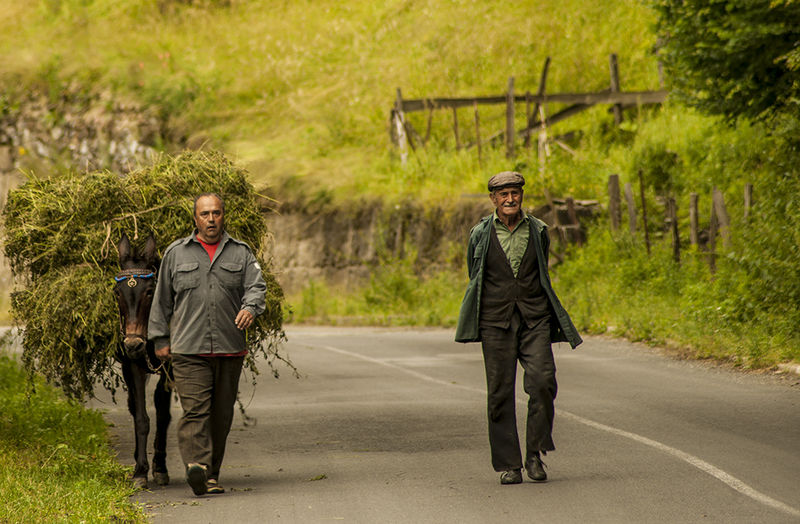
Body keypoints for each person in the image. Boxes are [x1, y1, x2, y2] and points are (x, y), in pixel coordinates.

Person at [455, 171, 582, 485]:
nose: (510, 199)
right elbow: (475, 273)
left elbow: (541, 270)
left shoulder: (538, 230)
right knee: (500, 393)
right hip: (495, 321)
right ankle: (509, 464)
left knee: (543, 381)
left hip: (534, 318)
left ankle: (534, 454)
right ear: (493, 199)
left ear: (521, 196)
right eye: (504, 194)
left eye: (515, 193)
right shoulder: (480, 233)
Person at [148, 193, 267, 496]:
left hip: (230, 348)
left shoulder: (241, 253)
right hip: (189, 349)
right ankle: (197, 466)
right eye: (205, 214)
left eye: (216, 213)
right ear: (195, 218)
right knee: (195, 411)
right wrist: (160, 338)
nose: (211, 219)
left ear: (223, 215)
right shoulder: (176, 253)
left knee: (221, 415)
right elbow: (162, 300)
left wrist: (250, 307)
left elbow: (257, 287)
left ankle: (211, 475)